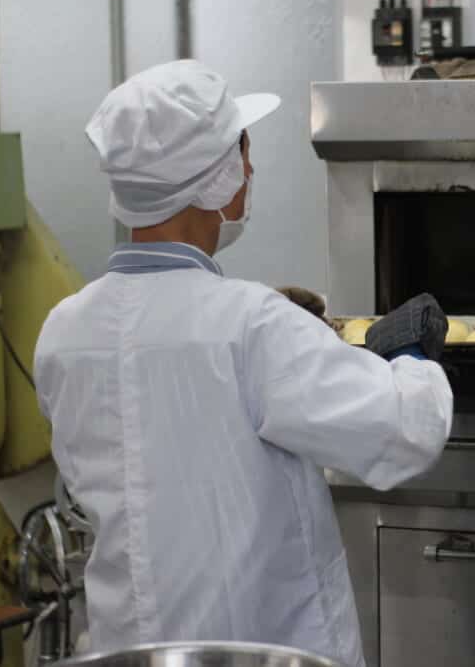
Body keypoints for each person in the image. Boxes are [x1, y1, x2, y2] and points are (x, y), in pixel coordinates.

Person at [33, 60, 453, 666]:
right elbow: (405, 432)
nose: (250, 171)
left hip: (129, 649)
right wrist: (409, 353)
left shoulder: (64, 331)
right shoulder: (249, 326)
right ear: (219, 176)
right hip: (255, 650)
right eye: (244, 152)